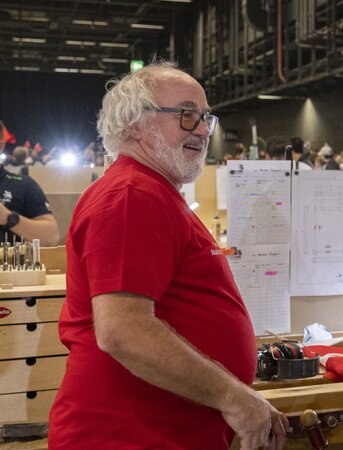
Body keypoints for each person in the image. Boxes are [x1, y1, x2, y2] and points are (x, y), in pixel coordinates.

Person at [48, 62, 287, 450]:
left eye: (206, 117)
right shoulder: (131, 197)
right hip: (129, 436)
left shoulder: (153, 194)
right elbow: (124, 331)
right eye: (187, 115)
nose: (203, 129)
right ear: (133, 124)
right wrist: (234, 396)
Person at [0, 123, 59, 246]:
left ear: (1, 145)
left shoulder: (23, 185)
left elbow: (51, 237)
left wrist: (7, 217)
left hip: (11, 262)